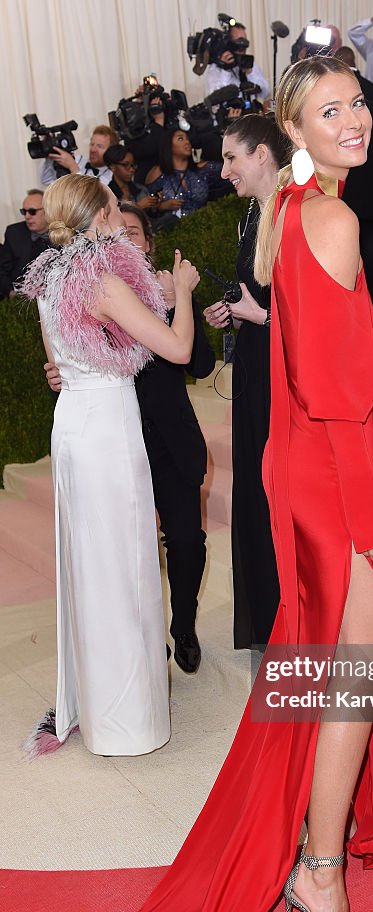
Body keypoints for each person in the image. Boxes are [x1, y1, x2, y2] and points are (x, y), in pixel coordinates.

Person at [122, 56, 373, 912]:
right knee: (351, 677)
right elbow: (336, 397)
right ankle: (319, 876)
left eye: (357, 103)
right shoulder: (327, 218)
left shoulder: (288, 213)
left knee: (332, 666)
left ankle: (311, 852)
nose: (354, 120)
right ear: (293, 129)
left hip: (300, 470)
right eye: (328, 111)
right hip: (333, 479)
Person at [20, 175, 199, 756]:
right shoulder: (98, 279)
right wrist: (185, 294)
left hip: (72, 425)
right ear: (100, 218)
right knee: (121, 564)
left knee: (89, 563)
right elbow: (177, 350)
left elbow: (59, 365)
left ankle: (98, 709)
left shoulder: (49, 279)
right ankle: (128, 720)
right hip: (108, 429)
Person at [44, 202, 215, 672]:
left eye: (137, 233)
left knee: (186, 541)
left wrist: (178, 301)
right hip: (117, 437)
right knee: (127, 545)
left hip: (170, 440)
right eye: (124, 227)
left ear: (148, 244)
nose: (129, 238)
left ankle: (184, 625)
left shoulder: (159, 291)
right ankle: (142, 636)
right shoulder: (94, 290)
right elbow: (77, 351)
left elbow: (197, 363)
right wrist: (62, 370)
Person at [203, 114, 286, 649]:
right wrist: (235, 313)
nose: (224, 168)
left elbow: (319, 318)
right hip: (257, 367)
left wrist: (257, 317)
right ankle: (267, 616)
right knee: (258, 486)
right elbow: (262, 301)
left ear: (261, 154)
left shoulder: (295, 212)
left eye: (232, 156)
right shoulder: (253, 216)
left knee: (281, 489)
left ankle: (291, 617)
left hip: (287, 375)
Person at [335, 45, 373, 299]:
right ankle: (369, 302)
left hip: (343, 183)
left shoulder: (332, 94)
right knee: (370, 248)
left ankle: (346, 301)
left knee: (341, 246)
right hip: (372, 184)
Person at [145, 128, 227, 218]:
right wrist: (162, 206)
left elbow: (228, 169)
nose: (187, 142)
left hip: (204, 225)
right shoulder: (157, 173)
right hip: (171, 229)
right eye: (180, 139)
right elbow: (147, 209)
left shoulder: (203, 170)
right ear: (168, 145)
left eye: (188, 139)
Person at [0, 190, 50, 299]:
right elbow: (2, 269)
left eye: (32, 211)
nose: (27, 216)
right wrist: (10, 292)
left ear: (47, 211)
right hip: (17, 297)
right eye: (24, 211)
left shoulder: (63, 234)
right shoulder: (14, 232)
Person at [206, 20, 270, 101]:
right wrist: (226, 70)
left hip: (250, 111)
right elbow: (214, 96)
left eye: (245, 42)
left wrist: (250, 73)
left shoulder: (248, 63)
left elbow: (265, 93)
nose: (242, 48)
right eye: (239, 42)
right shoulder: (215, 68)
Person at [40, 124, 116, 187]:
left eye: (99, 146)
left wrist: (73, 168)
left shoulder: (112, 176)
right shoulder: (79, 160)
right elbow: (47, 180)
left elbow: (88, 197)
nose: (93, 150)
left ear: (111, 150)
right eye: (92, 144)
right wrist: (50, 153)